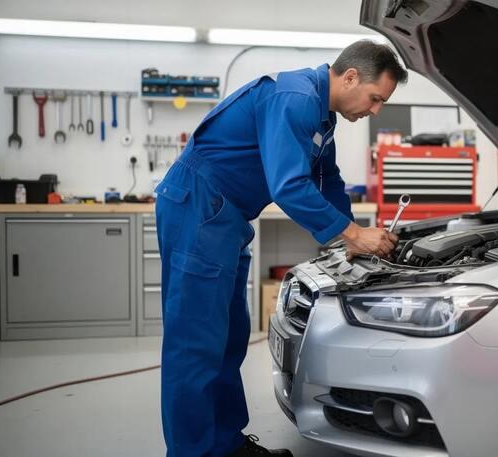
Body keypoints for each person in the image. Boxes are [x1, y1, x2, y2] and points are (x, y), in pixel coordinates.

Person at [154, 40, 408, 457]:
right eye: (376, 98)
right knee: (195, 344)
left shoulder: (322, 118)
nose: (375, 110)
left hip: (225, 216)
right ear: (349, 77)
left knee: (230, 337)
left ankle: (224, 444)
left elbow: (327, 180)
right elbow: (288, 185)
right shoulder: (296, 98)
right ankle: (192, 452)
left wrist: (355, 236)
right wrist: (351, 234)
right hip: (198, 207)